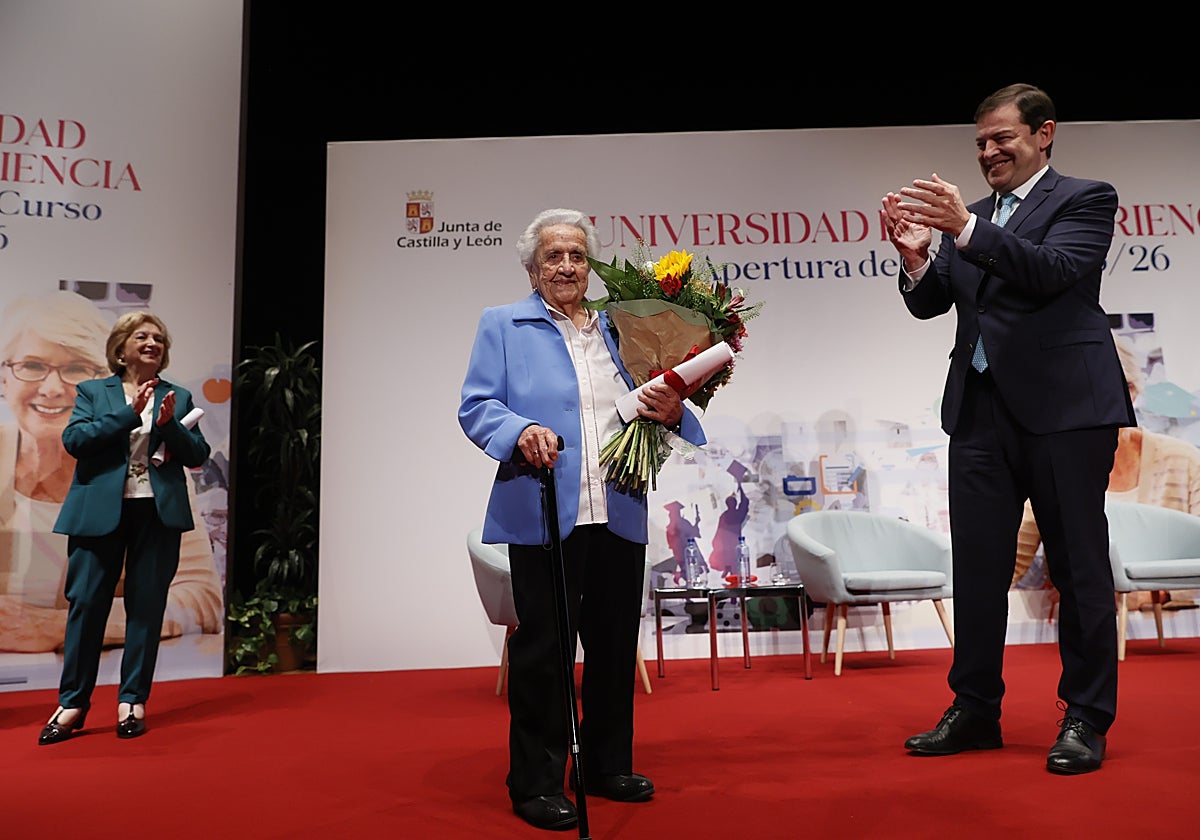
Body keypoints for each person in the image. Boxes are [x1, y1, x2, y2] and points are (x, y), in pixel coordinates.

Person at [880, 83, 1135, 775]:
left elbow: (1053, 272)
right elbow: (940, 302)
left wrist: (964, 229)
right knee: (979, 570)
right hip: (979, 412)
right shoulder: (978, 216)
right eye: (981, 144)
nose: (989, 152)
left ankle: (1085, 716)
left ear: (1043, 134)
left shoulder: (1086, 198)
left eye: (1002, 139)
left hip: (1065, 415)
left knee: (1078, 570)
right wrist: (916, 258)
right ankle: (975, 709)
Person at [459, 208, 707, 831]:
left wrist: (675, 407)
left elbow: (663, 393)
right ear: (532, 267)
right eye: (553, 256)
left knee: (615, 645)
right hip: (543, 509)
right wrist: (520, 429)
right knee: (543, 651)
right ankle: (536, 781)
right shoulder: (504, 325)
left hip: (619, 508)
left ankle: (605, 765)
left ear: (591, 263)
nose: (566, 266)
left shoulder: (624, 324)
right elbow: (477, 405)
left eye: (576, 255)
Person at [1, 292, 222, 656]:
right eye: (32, 366)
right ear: (5, 377)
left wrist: (61, 624)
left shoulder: (150, 467)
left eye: (75, 369)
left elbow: (203, 598)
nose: (53, 388)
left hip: (102, 663)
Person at [37, 311, 212, 744]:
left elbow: (196, 456)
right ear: (122, 346)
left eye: (158, 338)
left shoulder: (180, 396)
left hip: (158, 513)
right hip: (100, 513)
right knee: (86, 605)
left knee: (146, 607)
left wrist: (170, 424)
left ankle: (132, 699)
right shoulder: (95, 392)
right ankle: (72, 703)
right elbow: (76, 442)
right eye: (142, 336)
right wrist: (128, 414)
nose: (152, 343)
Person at [1013, 332, 1200, 609]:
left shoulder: (1182, 461)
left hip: (1175, 630)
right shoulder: (1050, 469)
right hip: (1085, 633)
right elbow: (1005, 564)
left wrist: (1139, 594)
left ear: (1131, 392)